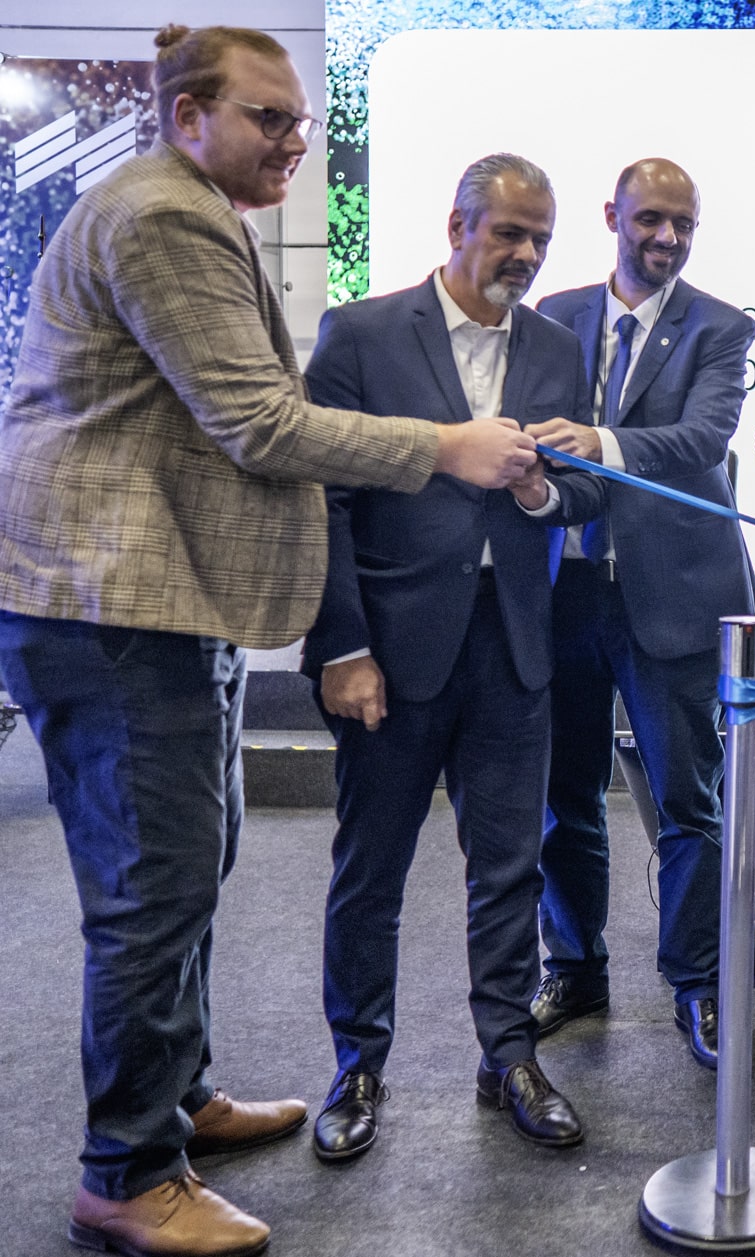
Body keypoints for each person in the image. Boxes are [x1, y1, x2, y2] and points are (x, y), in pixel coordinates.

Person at [0, 25, 538, 1257]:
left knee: (192, 868)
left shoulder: (196, 207)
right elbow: (258, 423)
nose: (297, 138)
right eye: (270, 116)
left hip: (168, 602)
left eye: (299, 119)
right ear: (187, 115)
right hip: (113, 606)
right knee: (152, 893)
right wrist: (444, 447)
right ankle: (127, 1174)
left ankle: (175, 1102)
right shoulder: (162, 215)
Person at [301, 153, 599, 1163]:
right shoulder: (362, 333)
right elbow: (321, 499)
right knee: (371, 869)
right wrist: (343, 646)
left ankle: (508, 1055)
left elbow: (584, 488)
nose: (525, 254)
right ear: (457, 226)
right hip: (388, 651)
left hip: (514, 645)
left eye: (540, 239)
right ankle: (357, 1066)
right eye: (508, 233)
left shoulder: (558, 346)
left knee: (509, 866)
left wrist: (543, 493)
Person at [528, 158, 755, 1070]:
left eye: (683, 224)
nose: (667, 237)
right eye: (651, 219)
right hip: (564, 592)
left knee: (687, 802)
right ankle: (573, 967)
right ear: (613, 216)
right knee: (565, 799)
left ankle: (696, 983)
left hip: (675, 593)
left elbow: (702, 440)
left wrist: (600, 441)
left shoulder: (720, 325)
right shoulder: (554, 316)